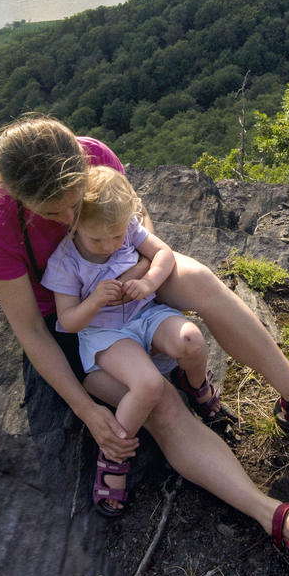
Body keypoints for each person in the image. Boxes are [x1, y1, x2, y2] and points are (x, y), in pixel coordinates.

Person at [0, 114, 289, 576]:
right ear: (18, 196)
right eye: (53, 213)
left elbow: (138, 226)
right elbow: (31, 330)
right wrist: (89, 413)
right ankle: (273, 515)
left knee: (201, 282)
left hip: (128, 284)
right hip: (78, 318)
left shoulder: (90, 152)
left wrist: (136, 276)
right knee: (161, 403)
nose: (69, 219)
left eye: (75, 203)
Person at [40, 167, 211, 517]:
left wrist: (148, 283)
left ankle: (196, 386)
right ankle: (114, 457)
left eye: (116, 237)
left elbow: (163, 254)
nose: (108, 247)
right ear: (74, 226)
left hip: (144, 314)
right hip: (104, 336)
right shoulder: (64, 261)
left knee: (192, 340)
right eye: (97, 241)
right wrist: (94, 301)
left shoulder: (127, 228)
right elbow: (67, 321)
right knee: (148, 384)